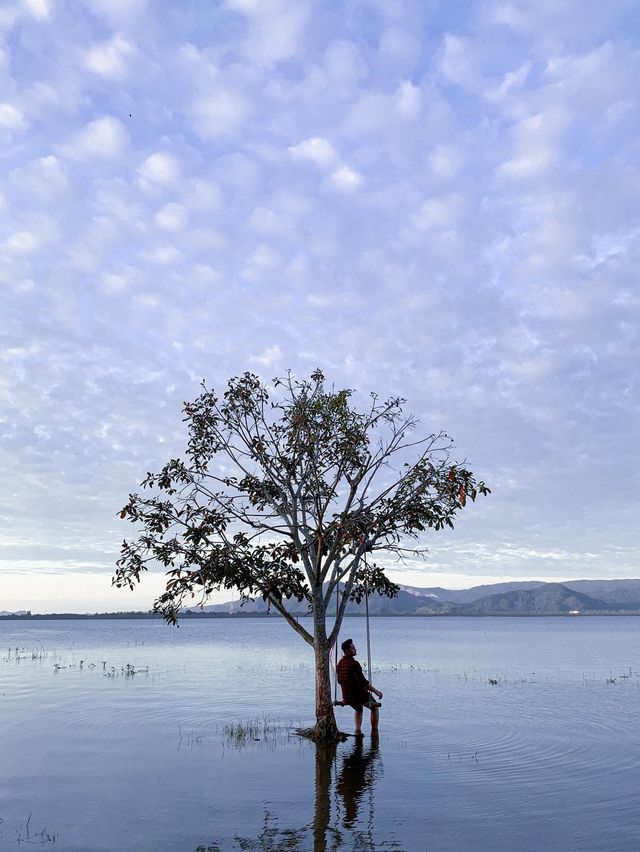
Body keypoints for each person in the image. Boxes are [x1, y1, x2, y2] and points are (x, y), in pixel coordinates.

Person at [336, 638, 383, 736]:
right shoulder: (354, 664)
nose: (355, 649)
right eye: (353, 648)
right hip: (357, 696)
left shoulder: (340, 663)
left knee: (358, 709)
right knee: (374, 707)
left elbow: (339, 681)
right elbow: (364, 683)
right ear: (347, 651)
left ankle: (357, 730)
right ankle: (374, 731)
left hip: (347, 696)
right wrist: (377, 692)